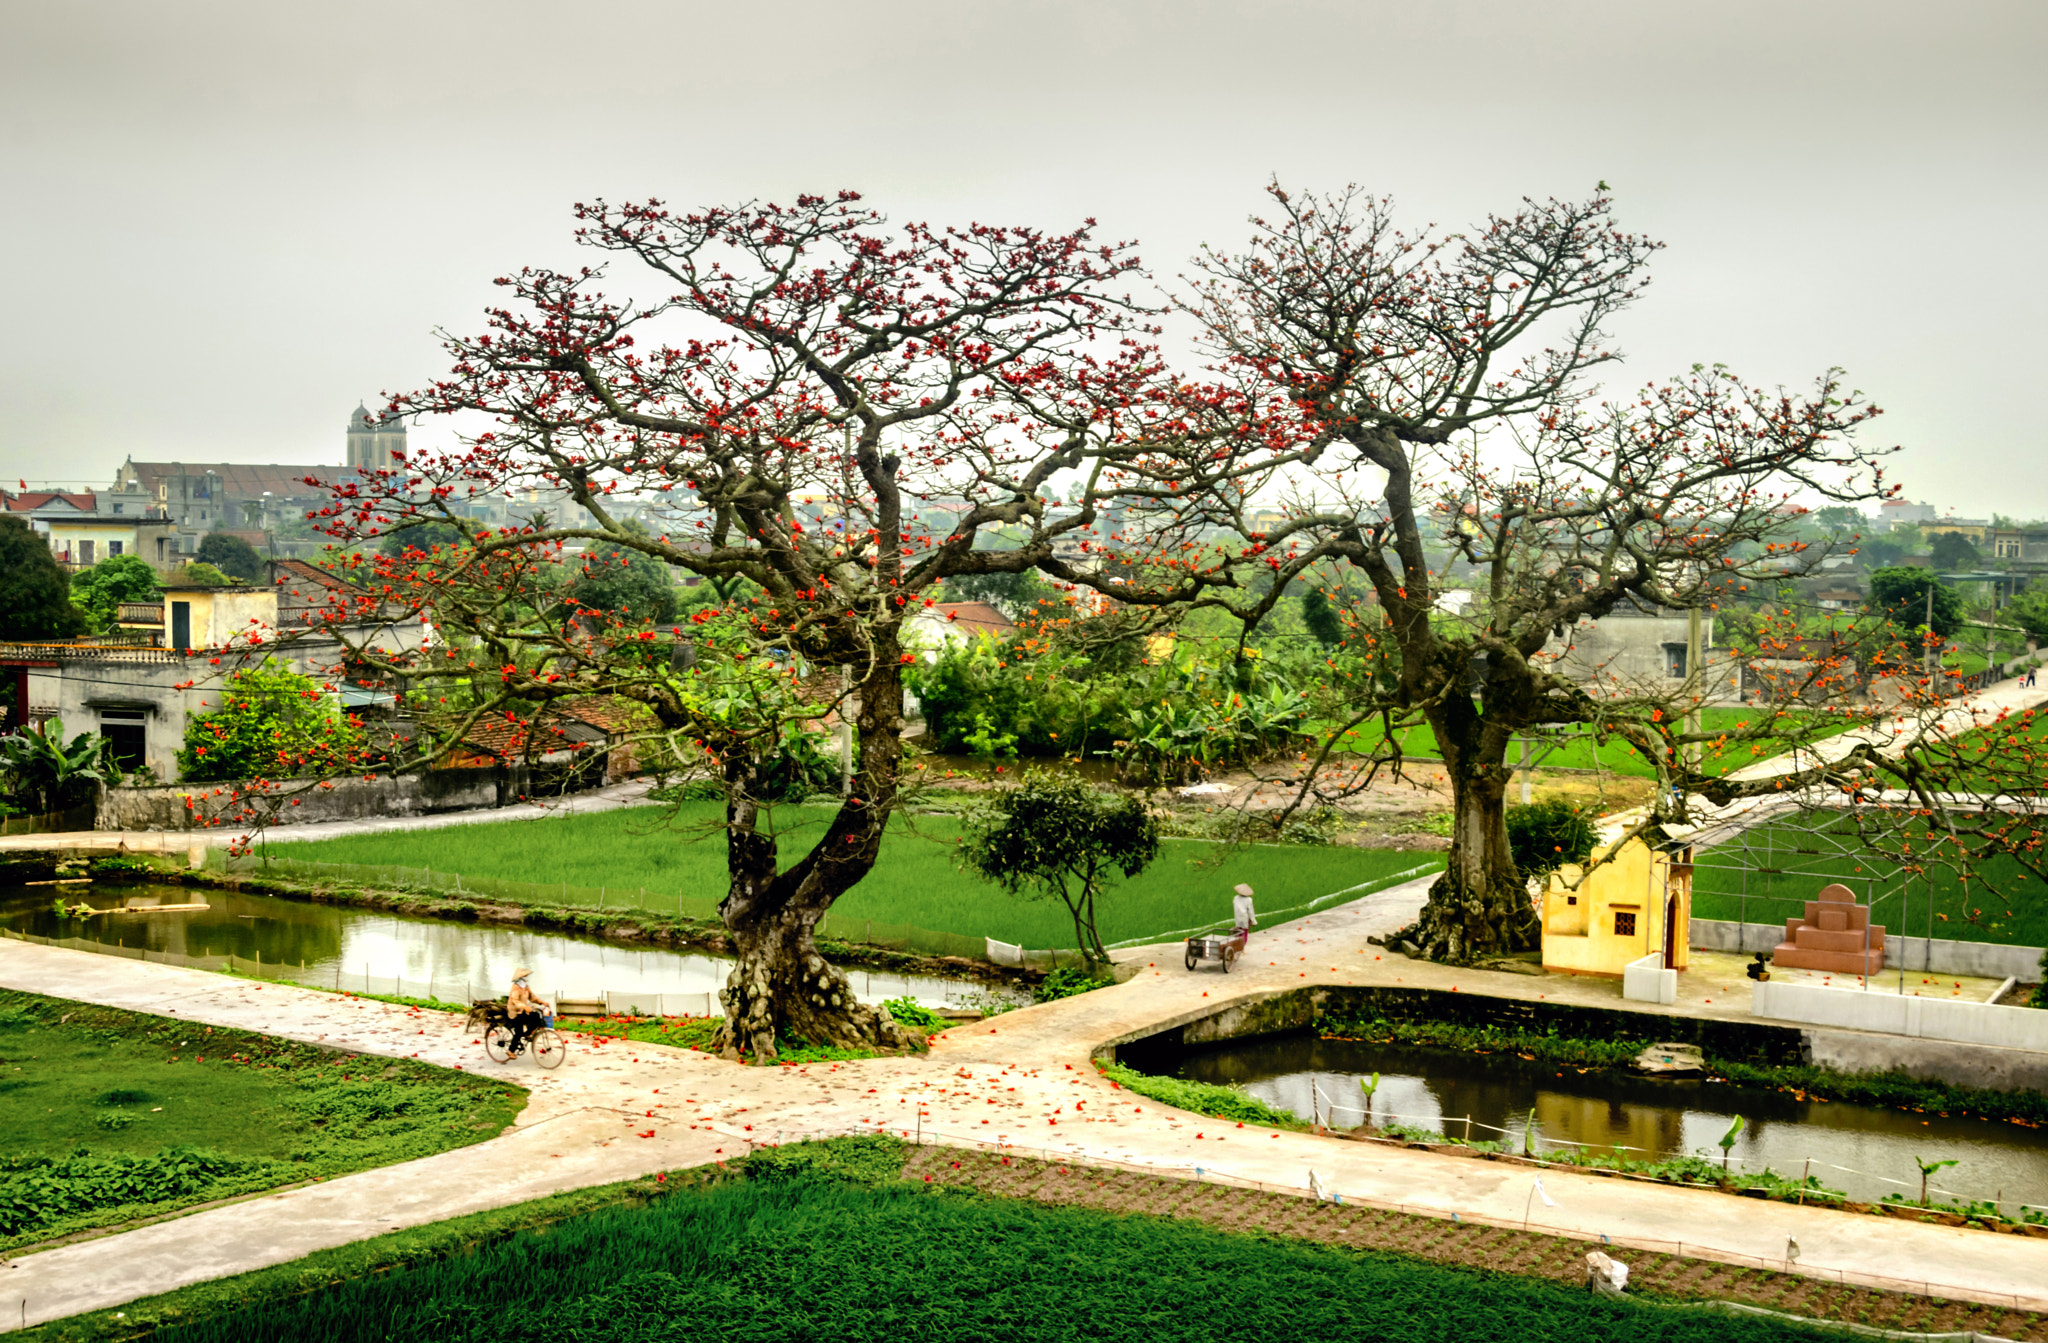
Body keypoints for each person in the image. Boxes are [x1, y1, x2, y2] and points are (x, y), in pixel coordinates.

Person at [504, 967, 550, 1055]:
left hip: (523, 1010)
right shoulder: (516, 987)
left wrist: (542, 1002)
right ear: (520, 977)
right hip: (515, 1013)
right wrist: (524, 1006)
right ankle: (511, 1051)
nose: (526, 977)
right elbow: (515, 1001)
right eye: (525, 975)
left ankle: (528, 1033)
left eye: (527, 975)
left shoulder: (525, 987)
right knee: (519, 1032)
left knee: (536, 1016)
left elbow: (532, 997)